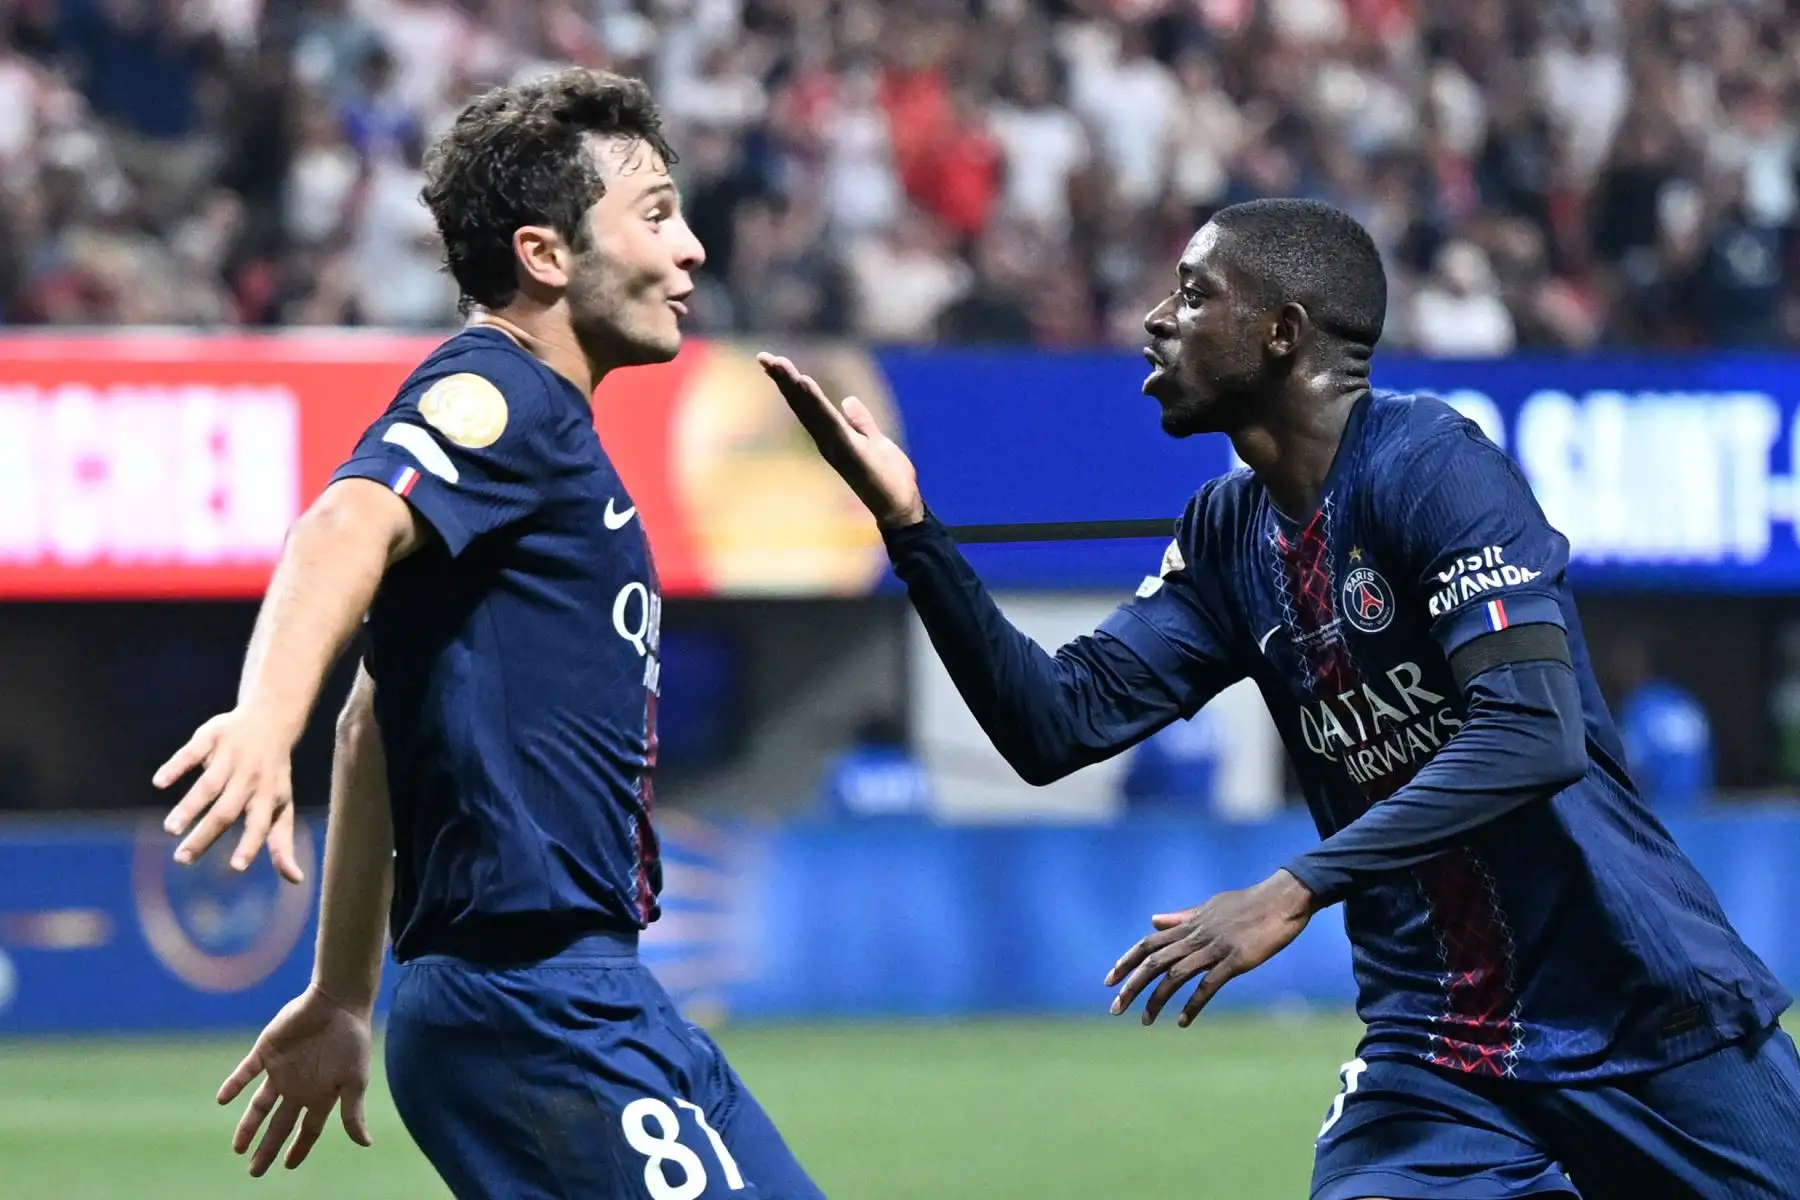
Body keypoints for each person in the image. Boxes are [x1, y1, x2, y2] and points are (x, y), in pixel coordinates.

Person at [762, 198, 1800, 1198]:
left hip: (1647, 1018)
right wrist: (911, 531)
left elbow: (1534, 733)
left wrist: (1295, 886)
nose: (1155, 321)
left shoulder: (1432, 466)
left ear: (1281, 333)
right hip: (1438, 1051)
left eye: (1193, 294)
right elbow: (1055, 723)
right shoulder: (1225, 535)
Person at [153, 69, 823, 1199]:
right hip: (535, 1003)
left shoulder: (552, 434)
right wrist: (267, 716)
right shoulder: (496, 394)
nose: (693, 248)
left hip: (587, 994)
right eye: (656, 214)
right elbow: (343, 519)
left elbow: (378, 721)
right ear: (546, 255)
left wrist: (344, 993)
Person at [1609, 633, 1714, 816]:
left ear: (1641, 663)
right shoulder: (1685, 700)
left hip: (1660, 816)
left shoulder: (1639, 704)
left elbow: (1629, 769)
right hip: (1698, 812)